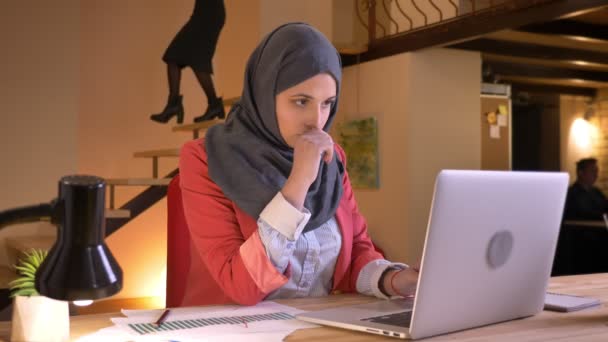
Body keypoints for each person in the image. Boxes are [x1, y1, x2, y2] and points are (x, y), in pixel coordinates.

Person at [178, 23, 418, 306]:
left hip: (313, 328)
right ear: (264, 94)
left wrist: (396, 280)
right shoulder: (206, 159)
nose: (317, 121)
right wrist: (299, 182)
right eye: (301, 101)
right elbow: (241, 286)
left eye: (327, 103)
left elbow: (355, 255)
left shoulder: (333, 157)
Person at [150, 0, 226, 124]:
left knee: (191, 59)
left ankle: (210, 105)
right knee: (176, 57)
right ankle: (177, 104)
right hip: (203, 13)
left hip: (209, 14)